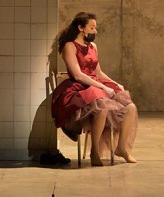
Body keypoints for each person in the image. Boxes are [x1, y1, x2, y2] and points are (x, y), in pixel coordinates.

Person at [50, 11, 138, 165]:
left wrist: (115, 83)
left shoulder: (93, 46)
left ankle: (121, 148)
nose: (95, 31)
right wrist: (102, 86)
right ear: (81, 28)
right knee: (101, 104)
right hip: (79, 87)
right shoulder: (70, 46)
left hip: (95, 83)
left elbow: (98, 72)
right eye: (92, 28)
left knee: (130, 107)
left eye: (95, 28)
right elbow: (78, 75)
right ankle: (94, 152)